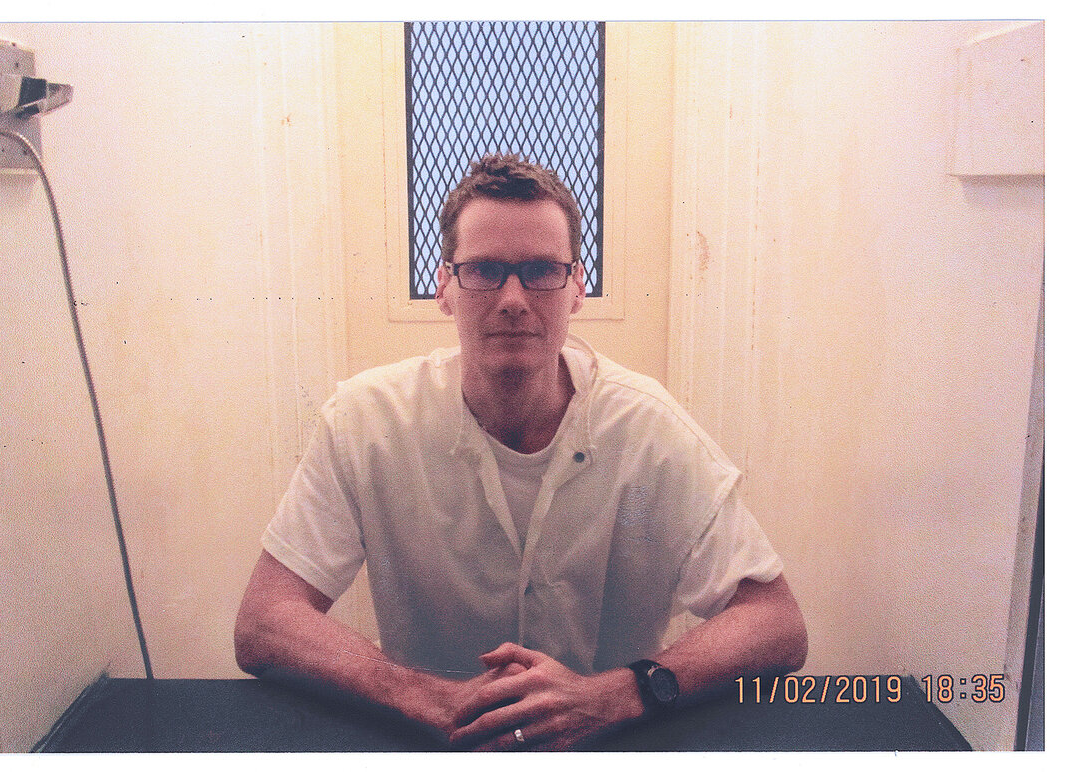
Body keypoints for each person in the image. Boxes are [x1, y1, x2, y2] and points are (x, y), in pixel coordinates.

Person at [234, 154, 807, 751]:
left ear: (577, 288)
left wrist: (617, 695)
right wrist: (428, 697)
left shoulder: (650, 432)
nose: (512, 298)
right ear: (445, 288)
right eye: (483, 270)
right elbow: (265, 620)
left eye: (540, 270)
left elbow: (776, 623)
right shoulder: (366, 423)